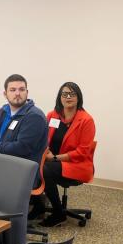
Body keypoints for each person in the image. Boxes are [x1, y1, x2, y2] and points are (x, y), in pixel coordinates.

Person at [32, 82, 96, 227]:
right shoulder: (52, 115)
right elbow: (43, 139)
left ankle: (58, 213)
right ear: (60, 97)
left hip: (77, 165)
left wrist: (55, 158)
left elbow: (82, 152)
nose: (68, 97)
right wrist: (46, 150)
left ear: (78, 97)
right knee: (31, 165)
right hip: (51, 160)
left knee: (45, 169)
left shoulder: (86, 121)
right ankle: (38, 205)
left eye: (72, 94)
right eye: (64, 93)